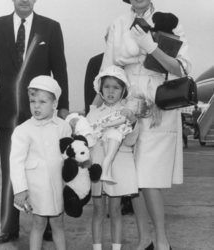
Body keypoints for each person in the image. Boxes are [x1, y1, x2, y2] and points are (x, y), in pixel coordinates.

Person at [100, 1, 192, 250]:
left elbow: (181, 68)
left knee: (149, 177)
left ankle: (162, 240)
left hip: (158, 105)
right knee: (134, 178)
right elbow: (107, 69)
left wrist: (152, 48)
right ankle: (145, 239)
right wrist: (95, 111)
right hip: (127, 105)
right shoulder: (119, 23)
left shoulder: (170, 22)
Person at [0, 0, 69, 244]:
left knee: (50, 167)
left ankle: (51, 223)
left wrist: (62, 106)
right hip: (7, 109)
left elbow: (59, 67)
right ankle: (9, 227)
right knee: (12, 169)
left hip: (42, 111)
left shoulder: (51, 27)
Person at [10, 76, 71, 250]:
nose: (36, 106)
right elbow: (16, 162)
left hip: (58, 185)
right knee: (38, 223)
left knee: (58, 223)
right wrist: (20, 190)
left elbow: (69, 157)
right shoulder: (23, 130)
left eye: (42, 101)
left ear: (54, 104)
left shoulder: (63, 127)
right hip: (36, 186)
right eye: (32, 101)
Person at [87, 65, 142, 250]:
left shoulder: (127, 112)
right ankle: (97, 247)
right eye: (107, 86)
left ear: (123, 91)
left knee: (115, 210)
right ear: (100, 89)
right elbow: (87, 141)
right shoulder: (93, 113)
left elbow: (131, 141)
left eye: (116, 87)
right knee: (97, 210)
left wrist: (133, 122)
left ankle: (116, 247)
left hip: (118, 168)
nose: (111, 91)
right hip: (97, 165)